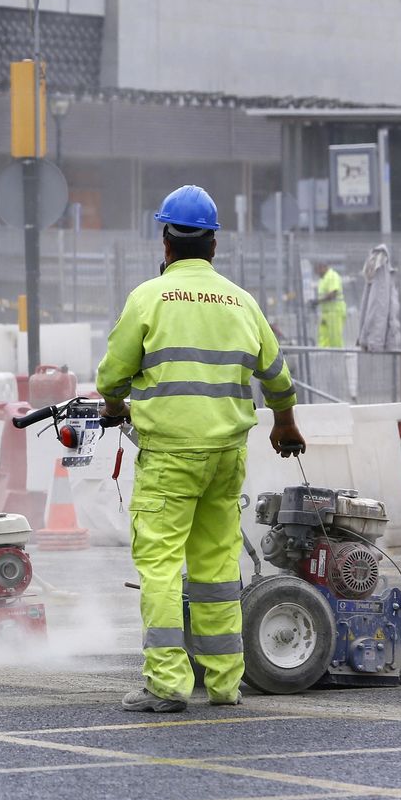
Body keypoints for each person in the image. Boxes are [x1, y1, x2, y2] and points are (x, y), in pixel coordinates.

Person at [95, 184, 306, 712]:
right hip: (226, 457)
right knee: (215, 569)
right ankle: (224, 684)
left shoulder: (148, 298)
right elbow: (277, 376)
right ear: (213, 245)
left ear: (165, 243)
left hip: (170, 456)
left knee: (162, 566)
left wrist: (115, 405)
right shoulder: (242, 301)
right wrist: (284, 424)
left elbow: (112, 375)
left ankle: (166, 685)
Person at [313, 261, 346, 348]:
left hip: (335, 312)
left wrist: (317, 301)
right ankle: (323, 354)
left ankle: (338, 356)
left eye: (317, 270)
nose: (317, 273)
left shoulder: (332, 276)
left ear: (322, 267)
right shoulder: (323, 279)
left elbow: (333, 294)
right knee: (323, 337)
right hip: (326, 313)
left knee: (335, 337)